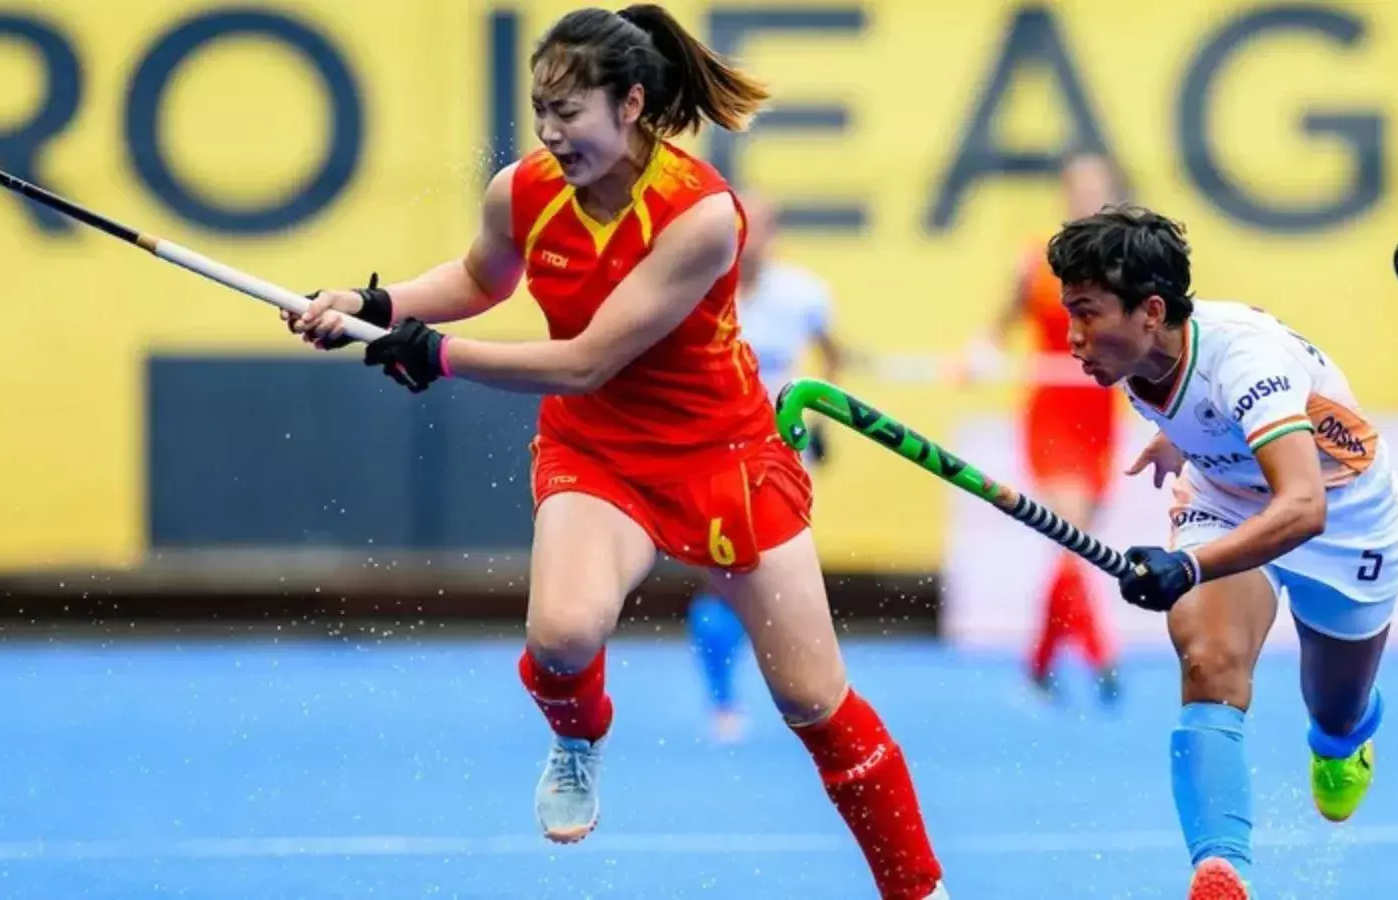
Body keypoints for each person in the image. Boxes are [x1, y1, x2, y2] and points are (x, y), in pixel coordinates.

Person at [285, 6, 948, 898]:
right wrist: (373, 304)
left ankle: (919, 890)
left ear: (631, 104)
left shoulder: (701, 215)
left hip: (723, 456)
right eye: (540, 111)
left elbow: (588, 358)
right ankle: (578, 734)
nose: (551, 133)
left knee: (814, 704)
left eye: (569, 112)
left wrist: (435, 354)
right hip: (598, 452)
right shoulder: (522, 191)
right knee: (561, 637)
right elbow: (482, 277)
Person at [1047, 203, 1398, 900]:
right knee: (1208, 660)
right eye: (1070, 313)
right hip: (1225, 498)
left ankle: (1344, 737)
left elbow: (1304, 507)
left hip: (1344, 520)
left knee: (1333, 711)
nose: (1073, 337)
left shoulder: (1243, 362)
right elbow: (1207, 388)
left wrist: (1187, 566)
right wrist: (1179, 439)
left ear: (1151, 311)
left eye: (1087, 314)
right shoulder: (1136, 353)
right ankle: (1222, 871)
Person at [953, 151, 1124, 706]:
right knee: (1073, 539)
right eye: (1080, 188)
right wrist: (977, 355)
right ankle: (1100, 656)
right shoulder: (1037, 262)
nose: (1089, 198)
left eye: (1098, 188)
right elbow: (999, 324)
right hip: (1053, 414)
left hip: (1099, 414)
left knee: (1074, 545)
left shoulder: (1129, 262)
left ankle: (1040, 665)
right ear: (1065, 195)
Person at [686, 192, 843, 743]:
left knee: (775, 574)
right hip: (710, 450)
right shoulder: (696, 289)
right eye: (740, 228)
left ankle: (803, 697)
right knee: (720, 576)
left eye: (760, 229)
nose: (749, 240)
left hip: (779, 453)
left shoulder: (802, 293)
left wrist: (821, 422)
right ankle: (723, 699)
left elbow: (832, 357)